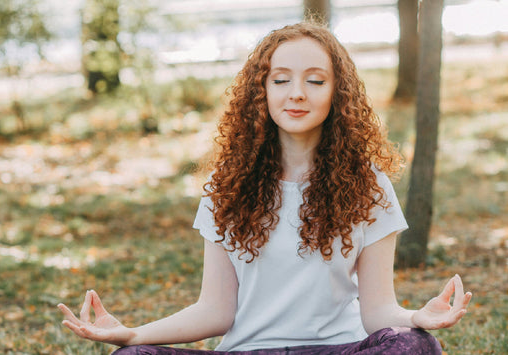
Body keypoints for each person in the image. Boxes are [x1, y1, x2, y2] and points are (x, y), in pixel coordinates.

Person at [58, 22, 472, 354]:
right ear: (262, 90)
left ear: (337, 93)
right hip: (249, 350)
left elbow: (378, 311)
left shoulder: (369, 186)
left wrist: (417, 318)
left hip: (341, 349)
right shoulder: (226, 189)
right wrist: (132, 334)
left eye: (315, 80)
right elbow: (215, 310)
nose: (296, 94)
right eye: (280, 80)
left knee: (414, 346)